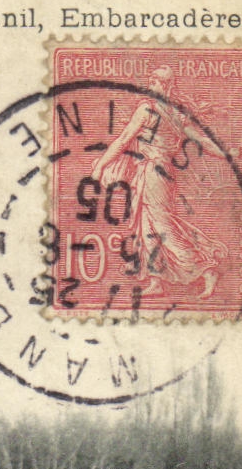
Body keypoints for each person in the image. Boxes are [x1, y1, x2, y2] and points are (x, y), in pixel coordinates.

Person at [89, 66, 230, 300]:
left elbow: (124, 140)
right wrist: (226, 153)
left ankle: (206, 269)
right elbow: (201, 140)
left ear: (163, 85)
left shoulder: (148, 109)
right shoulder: (176, 113)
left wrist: (100, 165)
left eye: (154, 81)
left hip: (154, 173)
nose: (150, 85)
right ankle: (157, 280)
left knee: (162, 226)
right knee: (146, 226)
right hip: (158, 172)